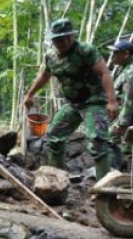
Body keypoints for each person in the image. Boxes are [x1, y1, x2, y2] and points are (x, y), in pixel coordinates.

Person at [23, 19, 119, 180]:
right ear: (53, 40)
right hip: (73, 104)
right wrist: (30, 94)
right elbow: (44, 76)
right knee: (54, 136)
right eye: (60, 39)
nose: (65, 42)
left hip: (93, 101)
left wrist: (112, 101)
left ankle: (105, 188)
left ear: (72, 36)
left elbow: (104, 72)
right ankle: (57, 180)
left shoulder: (85, 50)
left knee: (97, 141)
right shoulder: (51, 56)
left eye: (68, 37)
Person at [108, 40, 133, 170]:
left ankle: (127, 177)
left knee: (127, 148)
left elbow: (130, 101)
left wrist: (121, 124)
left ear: (126, 54)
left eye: (116, 53)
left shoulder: (132, 74)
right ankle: (119, 172)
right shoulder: (123, 70)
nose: (113, 56)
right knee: (114, 143)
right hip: (123, 117)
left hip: (131, 119)